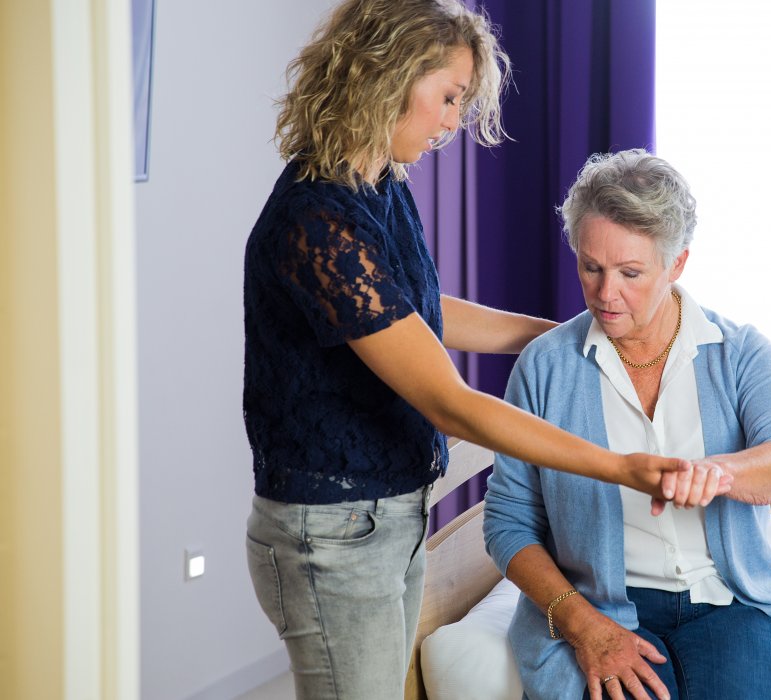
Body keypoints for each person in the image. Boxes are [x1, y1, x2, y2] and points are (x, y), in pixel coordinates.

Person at [242, 3, 724, 697]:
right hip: (334, 532)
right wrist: (621, 467)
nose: (452, 121)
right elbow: (451, 405)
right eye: (448, 97)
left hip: (386, 515)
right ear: (387, 75)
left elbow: (417, 314)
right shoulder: (317, 220)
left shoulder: (378, 184)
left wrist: (554, 334)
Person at [483, 149, 771, 700]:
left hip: (733, 607)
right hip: (601, 610)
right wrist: (582, 624)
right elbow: (508, 523)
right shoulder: (545, 367)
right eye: (591, 267)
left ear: (678, 264)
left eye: (630, 273)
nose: (605, 293)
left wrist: (716, 474)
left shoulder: (740, 352)